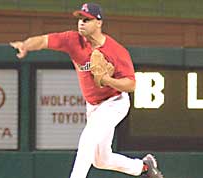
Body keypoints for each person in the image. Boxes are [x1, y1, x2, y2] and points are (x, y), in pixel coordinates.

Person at [10, 3, 164, 178]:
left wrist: (106, 79)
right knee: (101, 160)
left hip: (115, 102)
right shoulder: (73, 40)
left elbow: (131, 85)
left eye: (87, 19)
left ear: (99, 23)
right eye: (80, 19)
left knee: (88, 138)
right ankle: (143, 167)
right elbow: (44, 40)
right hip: (93, 106)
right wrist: (26, 45)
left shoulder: (116, 51)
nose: (81, 23)